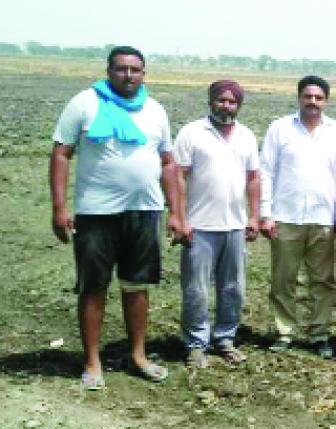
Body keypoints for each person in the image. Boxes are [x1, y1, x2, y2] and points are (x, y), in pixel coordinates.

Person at [49, 46, 179, 388]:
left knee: (137, 286)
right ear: (109, 71)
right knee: (93, 287)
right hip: (96, 213)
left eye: (135, 69)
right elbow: (62, 154)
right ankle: (92, 363)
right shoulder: (84, 103)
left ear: (144, 73)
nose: (128, 75)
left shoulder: (155, 110)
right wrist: (59, 207)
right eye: (121, 69)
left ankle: (138, 356)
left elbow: (168, 163)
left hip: (145, 211)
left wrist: (177, 212)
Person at [259, 75, 336, 359]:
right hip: (286, 217)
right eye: (308, 96)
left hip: (323, 219)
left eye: (318, 98)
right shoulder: (280, 128)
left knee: (322, 280)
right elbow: (266, 171)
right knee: (283, 279)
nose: (313, 102)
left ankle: (319, 333)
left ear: (326, 100)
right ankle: (285, 332)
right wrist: (266, 213)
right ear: (299, 97)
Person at [173, 80, 260, 368]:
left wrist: (254, 216)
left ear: (239, 105)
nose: (226, 106)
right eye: (221, 100)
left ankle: (225, 338)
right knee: (196, 289)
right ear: (211, 101)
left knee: (233, 287)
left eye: (232, 102)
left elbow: (253, 179)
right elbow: (178, 177)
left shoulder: (246, 136)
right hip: (199, 227)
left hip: (234, 226)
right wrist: (180, 218)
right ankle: (196, 343)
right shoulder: (192, 133)